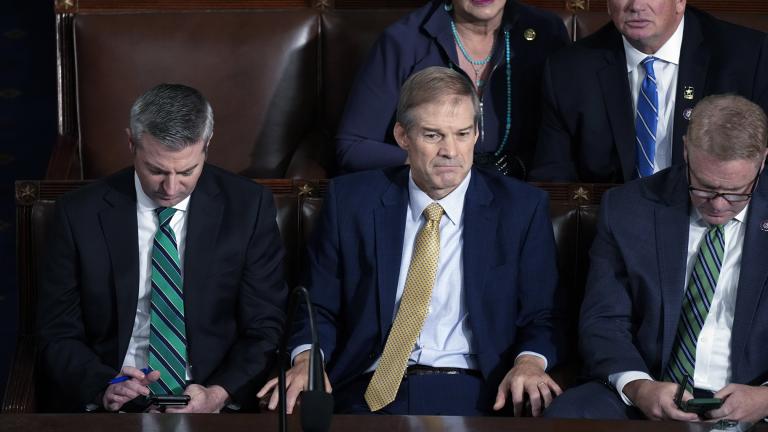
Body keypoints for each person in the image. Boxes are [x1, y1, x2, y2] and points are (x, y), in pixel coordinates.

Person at [259, 66, 564, 416]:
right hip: (365, 385)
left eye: (463, 134)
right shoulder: (352, 201)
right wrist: (307, 361)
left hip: (474, 388)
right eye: (433, 136)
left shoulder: (520, 208)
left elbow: (544, 314)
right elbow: (317, 306)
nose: (451, 151)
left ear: (478, 133)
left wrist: (529, 363)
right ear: (403, 136)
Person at [37, 83, 288, 413]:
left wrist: (219, 393)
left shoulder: (248, 208)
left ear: (207, 145)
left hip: (211, 395)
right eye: (156, 170)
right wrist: (104, 386)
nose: (171, 187)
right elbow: (57, 332)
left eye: (187, 171)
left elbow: (265, 327)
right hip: (116, 393)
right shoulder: (78, 215)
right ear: (131, 142)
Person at [544, 94, 768, 423]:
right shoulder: (629, 208)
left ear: (763, 161)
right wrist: (639, 386)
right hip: (648, 390)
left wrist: (764, 399)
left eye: (736, 192)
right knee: (570, 415)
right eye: (705, 187)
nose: (718, 205)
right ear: (685, 151)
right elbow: (605, 321)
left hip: (755, 395)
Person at [530, 0, 768, 183]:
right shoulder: (569, 69)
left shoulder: (748, 58)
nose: (636, 6)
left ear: (679, 1)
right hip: (614, 225)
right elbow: (552, 177)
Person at [336, 0, 569, 179]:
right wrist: (434, 162)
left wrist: (519, 166)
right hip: (426, 193)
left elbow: (564, 139)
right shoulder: (402, 41)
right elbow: (352, 147)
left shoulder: (546, 32)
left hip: (518, 193)